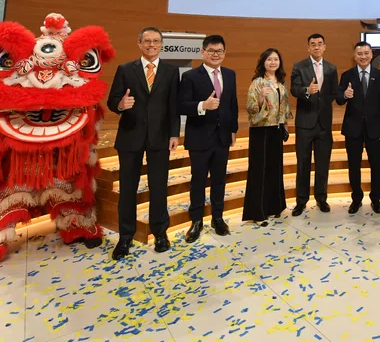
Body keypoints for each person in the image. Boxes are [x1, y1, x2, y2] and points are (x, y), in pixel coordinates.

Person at [107, 26, 180, 260]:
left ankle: (160, 233)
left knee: (158, 187)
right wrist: (121, 105)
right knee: (128, 189)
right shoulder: (125, 69)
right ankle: (125, 237)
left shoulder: (171, 71)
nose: (151, 45)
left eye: (156, 41)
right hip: (130, 136)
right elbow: (112, 100)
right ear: (139, 43)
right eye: (147, 41)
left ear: (161, 44)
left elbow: (174, 105)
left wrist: (174, 134)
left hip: (160, 137)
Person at [179, 34, 238, 242]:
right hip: (199, 137)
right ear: (203, 52)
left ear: (224, 53)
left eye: (219, 51)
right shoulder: (190, 76)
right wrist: (202, 106)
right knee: (198, 181)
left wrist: (233, 130)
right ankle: (196, 221)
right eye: (211, 51)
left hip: (222, 137)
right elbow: (181, 105)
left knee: (219, 180)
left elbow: (232, 104)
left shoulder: (230, 74)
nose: (215, 54)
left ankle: (217, 218)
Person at [336, 41, 380, 215]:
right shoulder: (347, 75)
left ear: (371, 55)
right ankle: (356, 199)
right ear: (355, 56)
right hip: (353, 129)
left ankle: (376, 199)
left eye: (366, 53)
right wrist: (345, 95)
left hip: (375, 129)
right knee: (354, 165)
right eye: (359, 54)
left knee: (376, 165)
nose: (363, 56)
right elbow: (339, 99)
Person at [289, 33, 339, 216]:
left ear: (324, 46)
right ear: (308, 47)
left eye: (320, 44)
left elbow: (333, 92)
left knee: (323, 164)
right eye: (313, 44)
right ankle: (301, 201)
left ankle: (321, 198)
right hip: (304, 123)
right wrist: (307, 91)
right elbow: (294, 89)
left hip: (324, 124)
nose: (316, 47)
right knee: (303, 164)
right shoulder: (299, 66)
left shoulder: (331, 68)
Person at [243, 48, 291, 226]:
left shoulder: (280, 82)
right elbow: (250, 108)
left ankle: (274, 207)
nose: (273, 62)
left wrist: (285, 125)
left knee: (274, 168)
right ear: (263, 62)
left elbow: (284, 106)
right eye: (269, 59)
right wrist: (261, 98)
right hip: (261, 130)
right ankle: (258, 213)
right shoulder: (257, 82)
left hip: (276, 129)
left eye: (276, 59)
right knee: (259, 170)